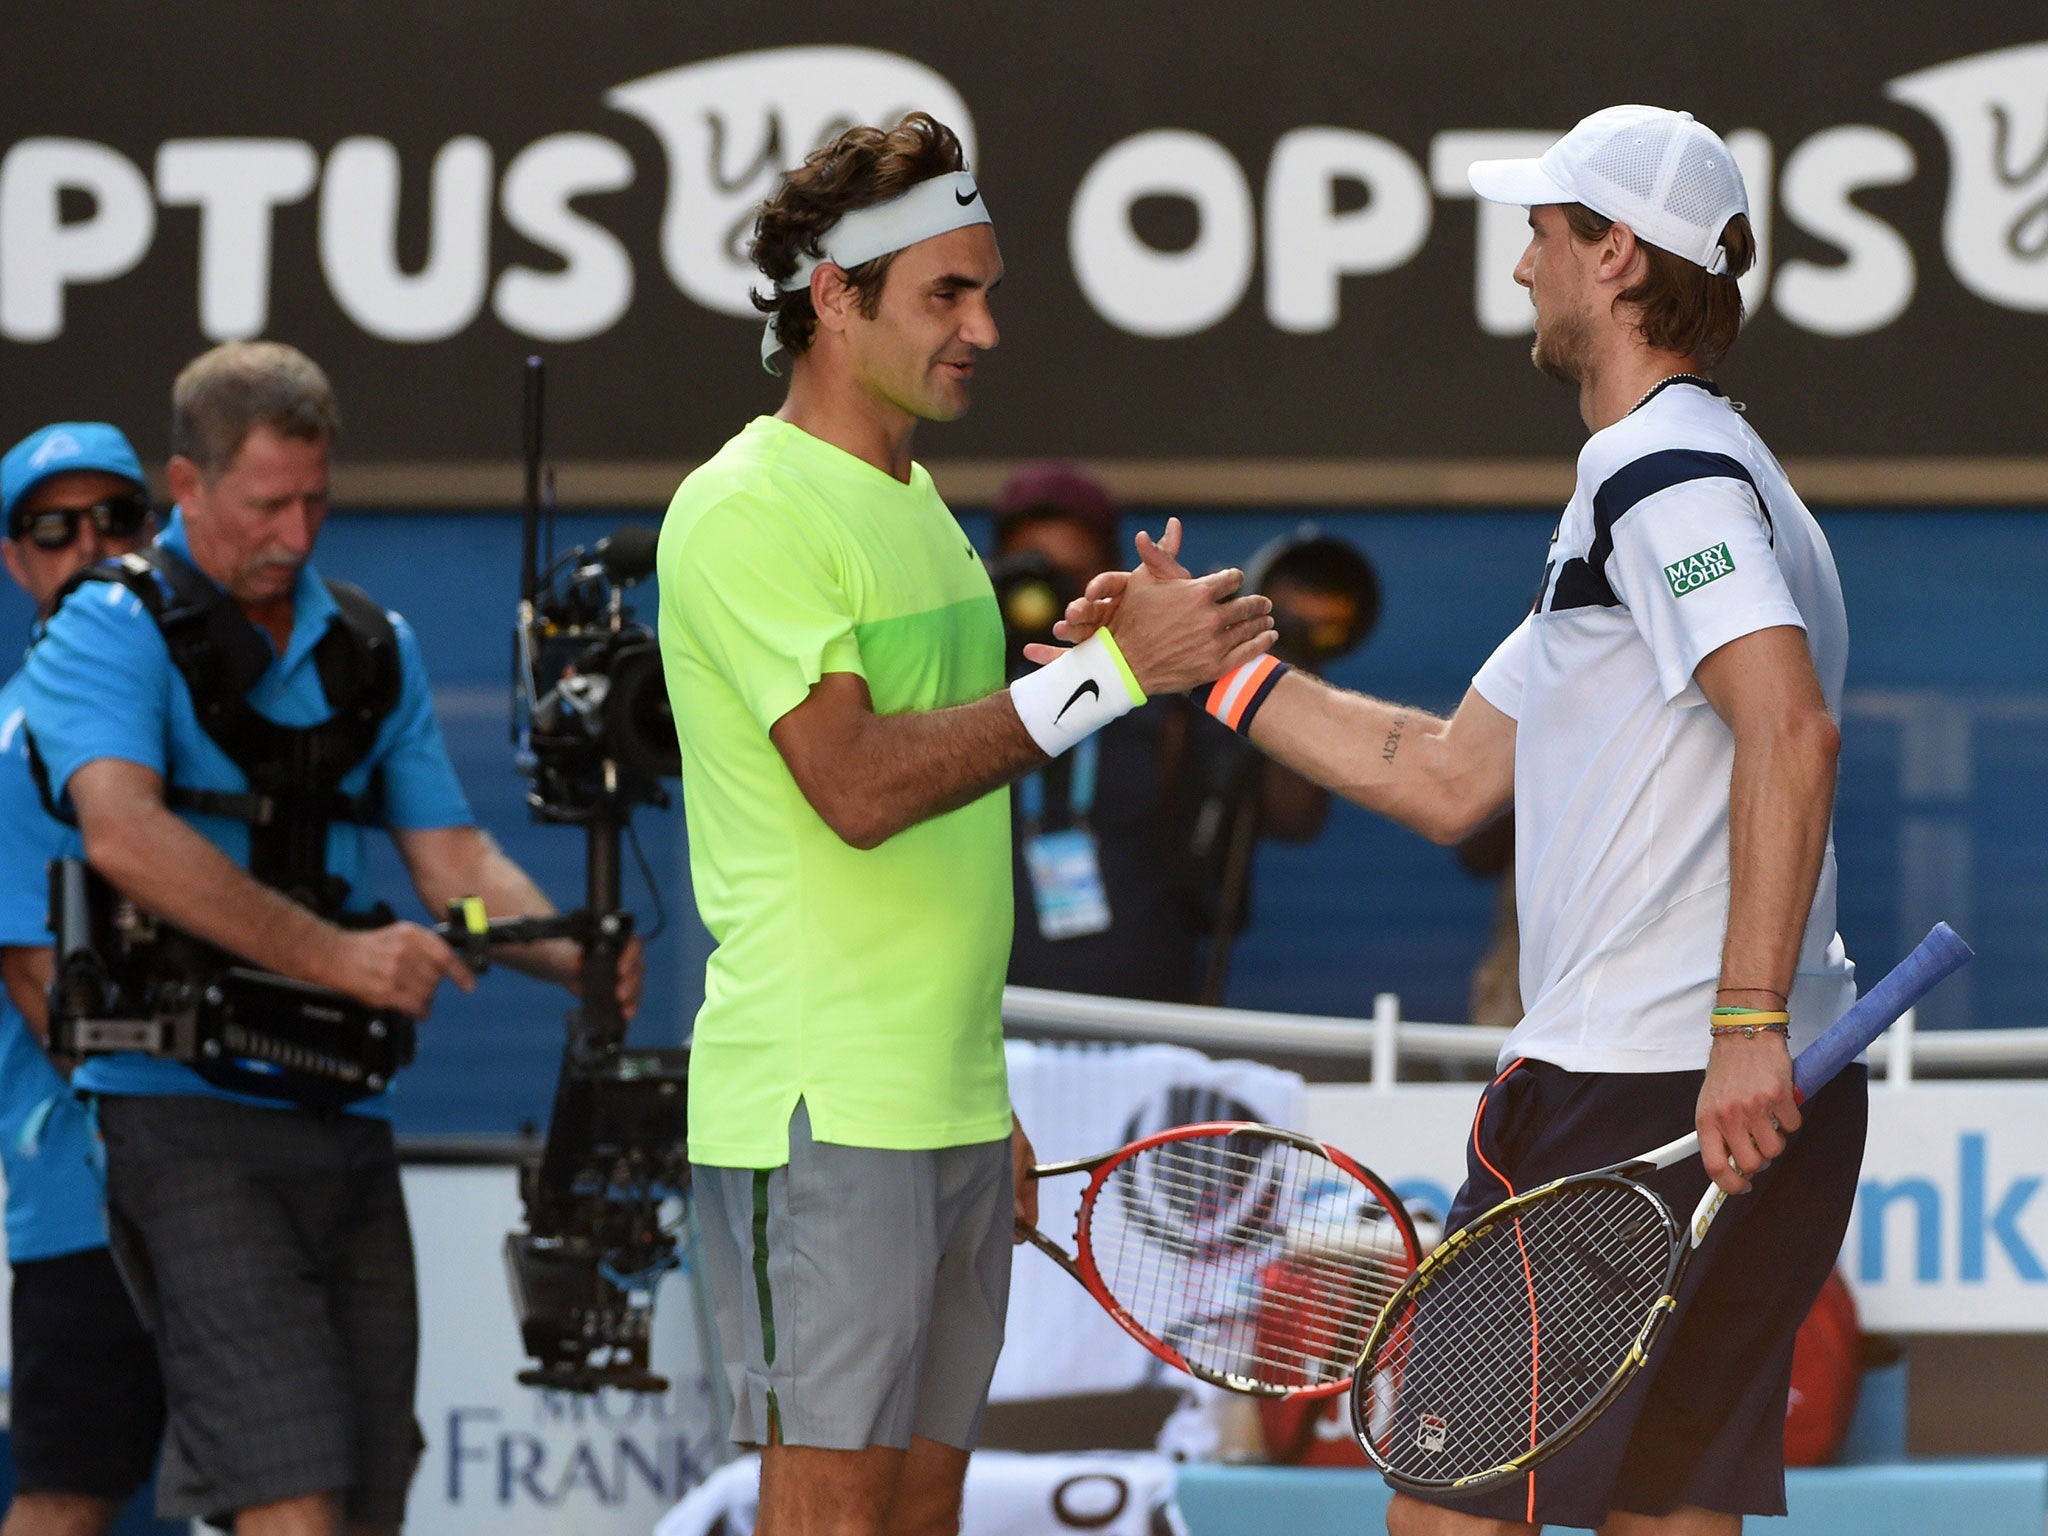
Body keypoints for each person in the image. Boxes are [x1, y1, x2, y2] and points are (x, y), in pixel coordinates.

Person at [1048, 105, 1862, 1535]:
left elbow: (1790, 728)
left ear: (1615, 257)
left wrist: (1742, 1025)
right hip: (1744, 1091)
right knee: (1666, 1514)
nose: (1521, 269)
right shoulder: (1690, 489)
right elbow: (1443, 774)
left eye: (1544, 235)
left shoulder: (1660, 477)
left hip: (1644, 1084)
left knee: (1445, 1509)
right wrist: (1205, 673)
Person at [656, 113, 1272, 1536]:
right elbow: (861, 786)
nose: (985, 327)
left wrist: (1085, 671)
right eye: (949, 292)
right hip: (819, 1109)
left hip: (941, 1105)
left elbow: (957, 788)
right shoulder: (743, 507)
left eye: (987, 290)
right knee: (832, 1516)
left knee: (925, 1516)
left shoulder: (921, 502)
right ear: (835, 294)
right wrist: (1118, 682)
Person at [20, 341, 643, 1536]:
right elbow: (125, 837)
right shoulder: (105, 629)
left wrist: (563, 949)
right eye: (267, 504)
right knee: (287, 1503)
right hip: (178, 1113)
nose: (298, 533)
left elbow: (450, 863)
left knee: (365, 1505)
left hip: (341, 1115)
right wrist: (342, 956)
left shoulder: (373, 642)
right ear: (185, 485)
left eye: (317, 500)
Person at [0, 423, 164, 1536]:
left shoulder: (195, 709)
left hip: (231, 1174)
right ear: (17, 561)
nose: (90, 547)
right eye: (55, 530)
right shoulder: (15, 739)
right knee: (70, 1494)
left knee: (289, 1480)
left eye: (115, 520)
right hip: (81, 1194)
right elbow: (38, 980)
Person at [991, 462, 1328, 1003]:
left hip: (1147, 1022)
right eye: (1036, 576)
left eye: (1074, 575)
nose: (1057, 600)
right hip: (992, 1019)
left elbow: (1294, 816)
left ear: (1112, 574)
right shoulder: (967, 687)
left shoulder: (1170, 690)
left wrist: (1286, 658)